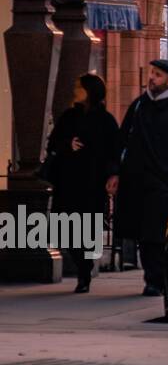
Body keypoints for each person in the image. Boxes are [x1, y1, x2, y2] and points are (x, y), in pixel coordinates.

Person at [112, 59, 168, 297]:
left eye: (157, 75)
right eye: (151, 73)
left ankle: (157, 280)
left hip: (163, 184)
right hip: (138, 180)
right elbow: (123, 139)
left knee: (157, 234)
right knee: (144, 234)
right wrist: (116, 171)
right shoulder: (140, 105)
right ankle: (152, 277)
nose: (152, 78)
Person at [43, 74, 118, 293]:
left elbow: (114, 150)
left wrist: (113, 175)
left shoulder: (106, 120)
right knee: (63, 228)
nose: (75, 89)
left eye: (79, 86)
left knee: (87, 228)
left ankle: (84, 272)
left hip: (92, 183)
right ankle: (83, 266)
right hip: (68, 181)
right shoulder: (69, 116)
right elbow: (53, 144)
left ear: (90, 91)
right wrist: (68, 144)